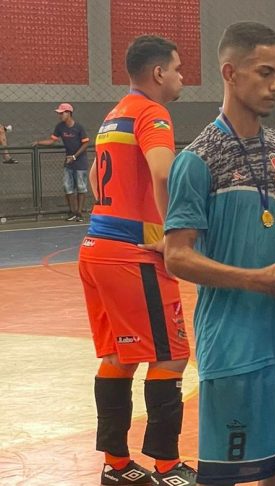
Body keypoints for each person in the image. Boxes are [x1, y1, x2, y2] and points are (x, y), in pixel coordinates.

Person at [164, 22, 275, 486]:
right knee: (228, 474)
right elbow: (177, 256)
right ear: (230, 73)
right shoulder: (197, 159)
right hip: (232, 345)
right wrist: (256, 280)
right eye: (265, 73)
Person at [77, 35, 197, 485]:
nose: (182, 77)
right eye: (178, 69)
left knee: (118, 355)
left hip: (96, 248)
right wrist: (171, 233)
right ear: (159, 73)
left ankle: (116, 464)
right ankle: (167, 466)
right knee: (171, 355)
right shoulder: (152, 113)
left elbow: (95, 178)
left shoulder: (114, 115)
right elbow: (164, 172)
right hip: (132, 255)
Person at [33, 103, 90, 221]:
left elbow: (85, 143)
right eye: (59, 113)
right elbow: (51, 141)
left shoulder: (79, 127)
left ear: (68, 113)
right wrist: (38, 142)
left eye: (61, 113)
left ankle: (79, 213)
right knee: (67, 187)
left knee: (81, 187)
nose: (59, 115)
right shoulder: (60, 127)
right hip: (68, 162)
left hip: (80, 162)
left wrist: (74, 156)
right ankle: (72, 212)